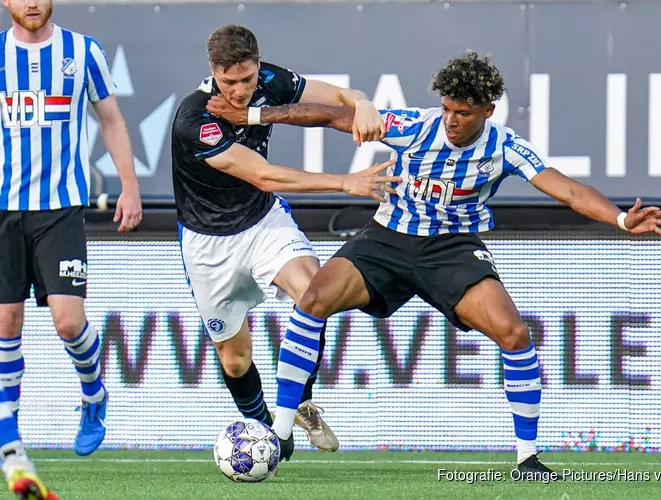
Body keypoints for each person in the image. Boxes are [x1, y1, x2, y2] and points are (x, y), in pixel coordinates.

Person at [257, 51, 661, 474]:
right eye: (447, 109)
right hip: (388, 239)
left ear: (487, 111)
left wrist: (621, 218)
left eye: (463, 112)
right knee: (313, 298)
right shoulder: (416, 127)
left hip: (451, 250)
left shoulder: (504, 146)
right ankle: (283, 427)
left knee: (514, 333)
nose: (451, 120)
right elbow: (329, 116)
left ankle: (527, 457)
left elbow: (566, 190)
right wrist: (259, 116)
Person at [171, 24, 396, 460]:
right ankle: (261, 431)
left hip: (262, 224)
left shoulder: (270, 81)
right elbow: (262, 173)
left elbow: (335, 97)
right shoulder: (193, 119)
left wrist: (364, 102)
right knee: (234, 361)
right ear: (213, 71)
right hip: (208, 243)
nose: (239, 91)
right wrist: (346, 182)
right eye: (228, 81)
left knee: (317, 293)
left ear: (257, 66)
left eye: (247, 79)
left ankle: (296, 407)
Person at [0, 0, 143, 497]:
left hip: (60, 209)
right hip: (2, 211)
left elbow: (111, 120)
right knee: (5, 322)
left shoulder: (82, 52)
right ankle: (9, 436)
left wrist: (129, 185)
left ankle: (93, 392)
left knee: (67, 321)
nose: (31, 2)